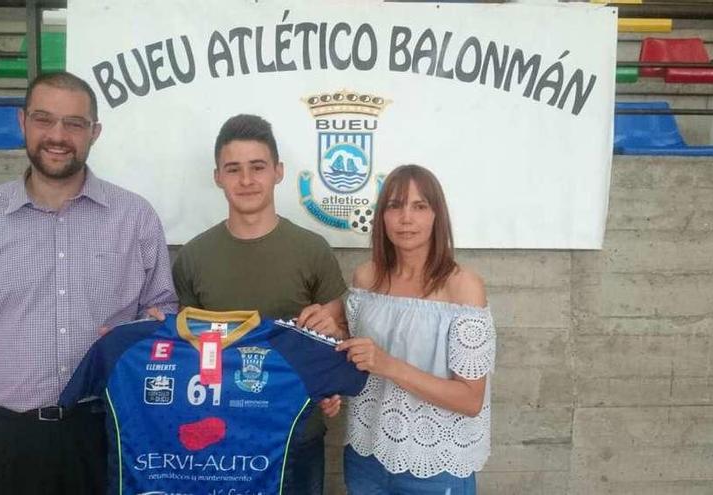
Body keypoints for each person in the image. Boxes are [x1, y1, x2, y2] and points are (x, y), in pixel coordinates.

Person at [0, 71, 178, 495]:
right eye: (44, 119)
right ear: (22, 122)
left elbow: (164, 311)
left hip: (108, 432)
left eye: (74, 123)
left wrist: (151, 327)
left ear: (94, 132)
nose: (58, 135)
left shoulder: (135, 218)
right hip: (8, 438)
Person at [171, 114, 346, 495]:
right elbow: (187, 352)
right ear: (217, 176)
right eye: (233, 169)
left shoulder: (313, 250)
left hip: (297, 434)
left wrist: (331, 371)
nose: (246, 180)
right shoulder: (192, 257)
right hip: (219, 441)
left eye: (257, 167)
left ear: (278, 172)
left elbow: (336, 340)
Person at [335, 164, 496, 494]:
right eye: (395, 205)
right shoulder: (366, 278)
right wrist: (330, 386)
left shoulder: (464, 288)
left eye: (419, 206)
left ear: (437, 215)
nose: (406, 217)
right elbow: (355, 361)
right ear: (382, 216)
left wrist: (388, 365)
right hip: (365, 455)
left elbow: (470, 400)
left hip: (435, 464)